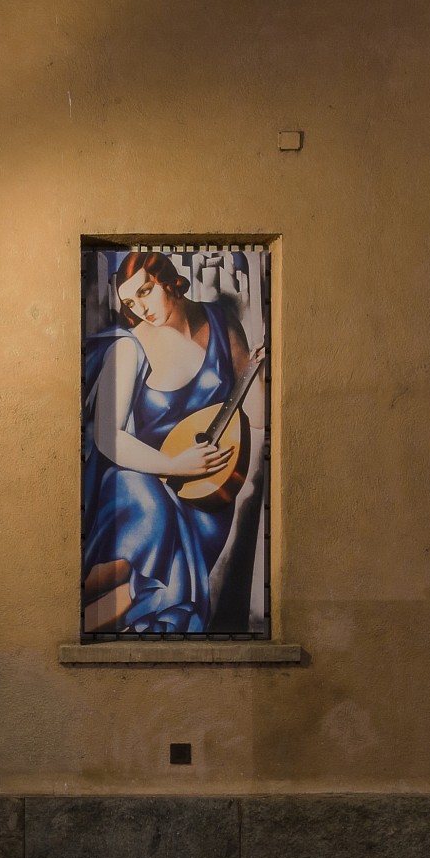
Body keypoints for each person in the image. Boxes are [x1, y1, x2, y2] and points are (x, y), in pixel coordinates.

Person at [79, 252, 259, 633]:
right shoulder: (131, 346)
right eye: (130, 302)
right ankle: (78, 617)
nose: (140, 308)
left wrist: (258, 370)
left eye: (145, 291)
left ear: (168, 280)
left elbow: (256, 415)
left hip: (207, 496)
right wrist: (176, 466)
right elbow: (109, 437)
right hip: (144, 485)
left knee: (147, 588)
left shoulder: (221, 324)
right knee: (147, 504)